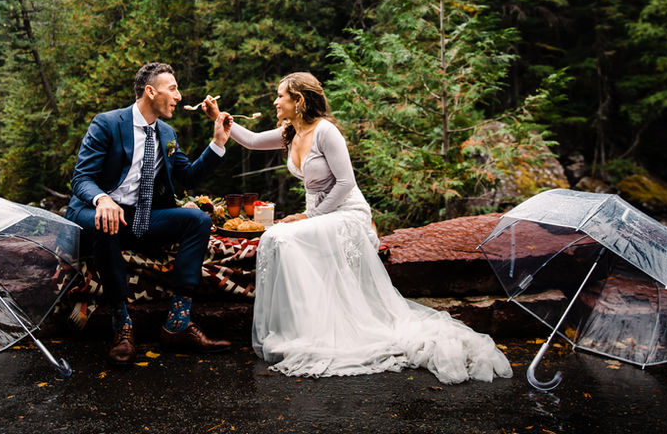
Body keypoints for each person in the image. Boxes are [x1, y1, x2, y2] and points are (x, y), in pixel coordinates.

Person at [204, 72, 513, 382]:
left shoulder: (326, 131)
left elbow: (345, 183)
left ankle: (310, 329)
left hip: (346, 214)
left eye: (280, 95)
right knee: (275, 237)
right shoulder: (290, 133)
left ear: (298, 100)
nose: (275, 101)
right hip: (320, 216)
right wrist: (219, 118)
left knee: (280, 237)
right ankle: (300, 327)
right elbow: (254, 141)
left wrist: (309, 217)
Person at [66, 62, 233, 365]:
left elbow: (190, 177)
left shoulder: (167, 133)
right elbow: (81, 179)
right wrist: (102, 200)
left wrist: (218, 143)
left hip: (142, 217)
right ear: (150, 91)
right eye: (173, 89)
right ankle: (122, 325)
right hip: (97, 212)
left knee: (198, 220)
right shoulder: (107, 123)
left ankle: (178, 322)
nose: (179, 96)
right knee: (108, 222)